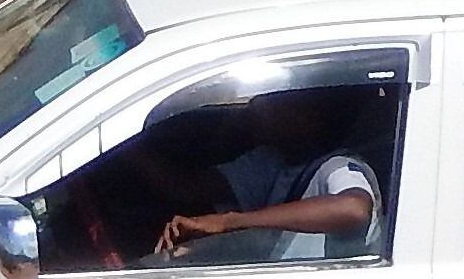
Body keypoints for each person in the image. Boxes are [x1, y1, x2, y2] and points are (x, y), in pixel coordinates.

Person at [152, 88, 378, 265]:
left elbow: (353, 209)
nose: (257, 106)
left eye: (274, 101)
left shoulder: (339, 167)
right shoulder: (274, 161)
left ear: (308, 117)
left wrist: (229, 222)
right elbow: (189, 189)